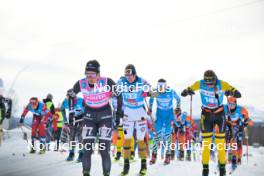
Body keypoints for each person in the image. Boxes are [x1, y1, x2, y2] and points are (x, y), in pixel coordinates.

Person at [181, 70, 241, 176]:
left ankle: (222, 170)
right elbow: (190, 88)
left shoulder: (221, 84)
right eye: (207, 82)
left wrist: (234, 92)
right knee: (206, 144)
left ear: (215, 79)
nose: (209, 85)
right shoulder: (200, 83)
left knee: (220, 144)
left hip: (219, 115)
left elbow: (234, 90)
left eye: (211, 83)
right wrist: (186, 91)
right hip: (206, 115)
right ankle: (205, 170)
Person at [72, 60, 123, 176]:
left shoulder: (107, 82)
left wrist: (119, 115)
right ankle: (86, 173)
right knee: (87, 149)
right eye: (87, 74)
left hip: (105, 115)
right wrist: (71, 113)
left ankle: (106, 173)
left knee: (104, 150)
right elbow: (71, 95)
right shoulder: (80, 83)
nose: (89, 77)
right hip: (89, 116)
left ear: (98, 74)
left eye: (93, 74)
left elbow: (119, 96)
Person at [117, 64, 151, 176]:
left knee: (140, 140)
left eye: (130, 76)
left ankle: (143, 166)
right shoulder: (121, 81)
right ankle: (126, 167)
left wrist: (148, 92)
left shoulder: (142, 81)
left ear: (135, 74)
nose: (128, 78)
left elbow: (150, 89)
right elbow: (115, 91)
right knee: (127, 140)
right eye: (126, 76)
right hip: (128, 113)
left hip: (140, 112)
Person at [148, 78, 181, 165]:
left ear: (166, 86)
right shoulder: (155, 91)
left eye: (162, 87)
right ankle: (154, 156)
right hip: (159, 116)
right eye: (159, 87)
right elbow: (151, 100)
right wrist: (150, 108)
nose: (160, 89)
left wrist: (178, 108)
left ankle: (168, 156)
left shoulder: (171, 91)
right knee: (156, 135)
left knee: (167, 136)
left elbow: (178, 99)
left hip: (169, 116)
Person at [224, 96, 253, 169]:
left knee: (237, 141)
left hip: (237, 125)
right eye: (229, 105)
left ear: (235, 104)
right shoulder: (224, 108)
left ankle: (237, 158)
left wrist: (246, 121)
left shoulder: (240, 109)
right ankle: (223, 158)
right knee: (226, 141)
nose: (231, 107)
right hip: (228, 125)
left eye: (233, 105)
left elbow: (246, 115)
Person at [61, 89, 85, 162]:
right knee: (71, 137)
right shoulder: (66, 101)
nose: (68, 98)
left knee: (80, 136)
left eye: (70, 97)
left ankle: (81, 154)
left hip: (81, 119)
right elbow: (62, 109)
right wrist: (65, 119)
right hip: (72, 119)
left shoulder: (81, 100)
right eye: (67, 96)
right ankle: (71, 153)